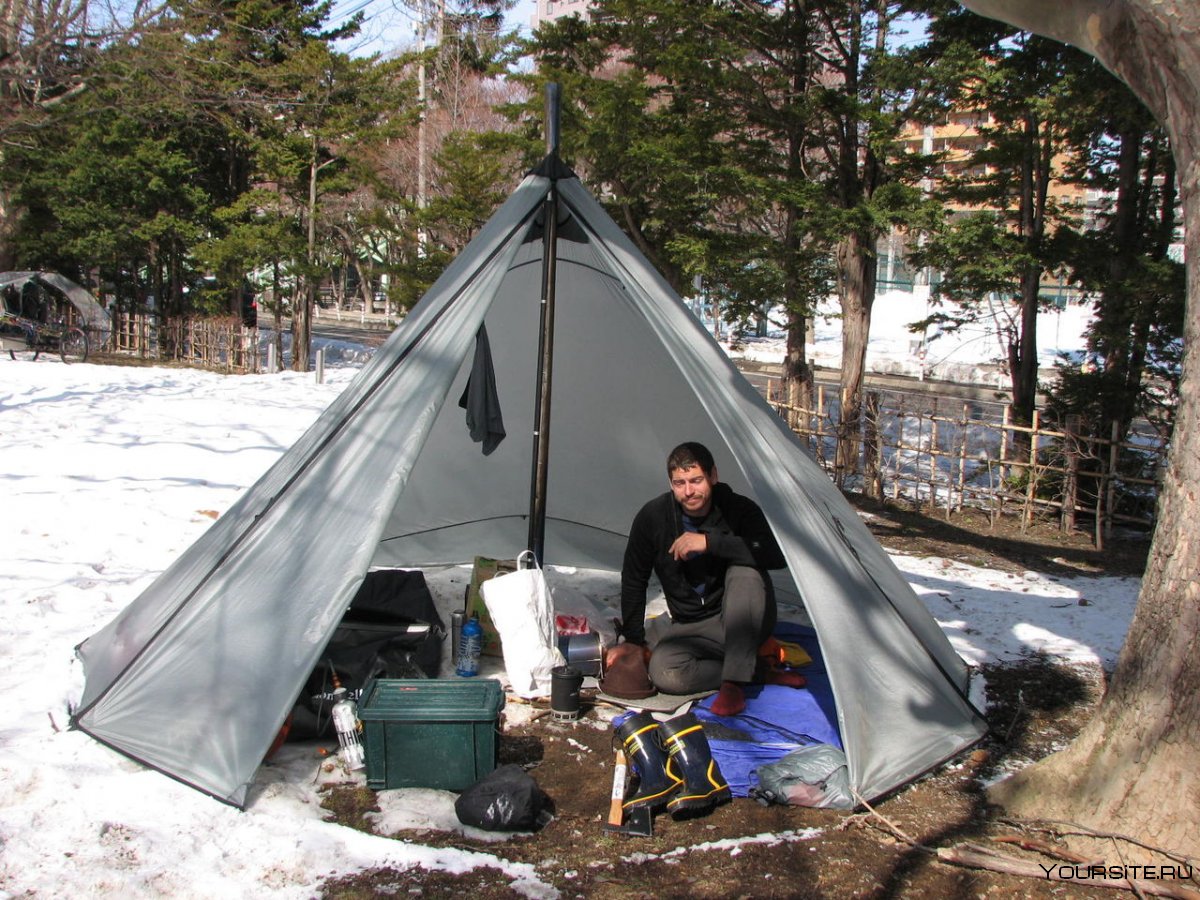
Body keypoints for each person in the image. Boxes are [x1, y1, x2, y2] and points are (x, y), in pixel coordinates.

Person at [615, 441, 799, 716]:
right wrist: (632, 638)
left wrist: (710, 543)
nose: (689, 491)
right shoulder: (653, 517)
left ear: (713, 476)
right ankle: (755, 669)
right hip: (692, 626)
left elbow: (775, 555)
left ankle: (734, 684)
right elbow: (633, 578)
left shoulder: (739, 510)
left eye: (696, 480)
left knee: (745, 571)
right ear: (671, 483)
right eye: (680, 483)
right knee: (665, 673)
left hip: (742, 619)